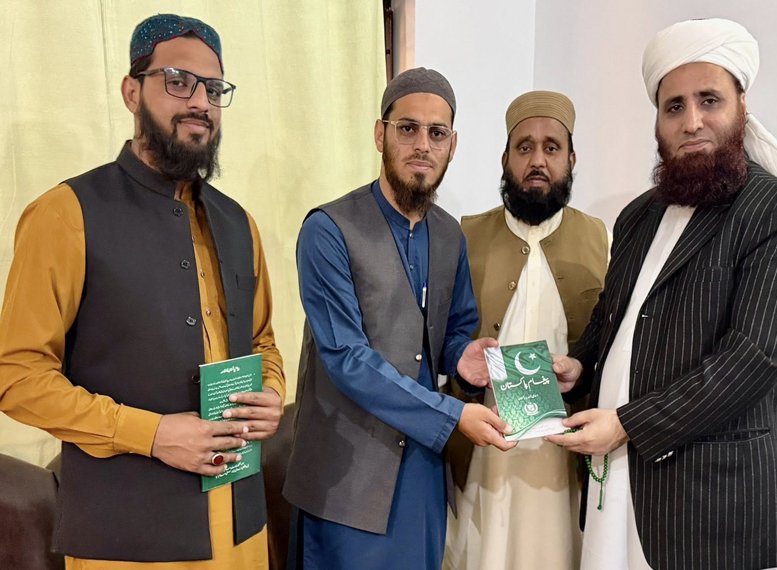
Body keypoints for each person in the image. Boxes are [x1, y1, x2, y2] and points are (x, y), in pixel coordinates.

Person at [0, 14, 285, 569]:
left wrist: (270, 393)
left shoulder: (238, 223)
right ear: (132, 92)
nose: (200, 102)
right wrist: (151, 434)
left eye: (213, 89)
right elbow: (17, 375)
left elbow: (262, 341)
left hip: (241, 529)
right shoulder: (65, 214)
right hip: (126, 539)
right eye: (178, 81)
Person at [546, 18, 777, 570]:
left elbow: (753, 359)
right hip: (618, 484)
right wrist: (581, 363)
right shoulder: (639, 216)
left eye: (709, 100)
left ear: (741, 105)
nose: (692, 121)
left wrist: (627, 424)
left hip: (713, 507)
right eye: (674, 106)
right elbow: (615, 316)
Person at [283, 67, 515, 570]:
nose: (422, 145)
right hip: (344, 480)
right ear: (380, 134)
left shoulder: (450, 235)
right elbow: (346, 357)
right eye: (407, 128)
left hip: (421, 478)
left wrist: (463, 356)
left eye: (437, 133)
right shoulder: (328, 230)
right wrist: (452, 415)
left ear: (452, 145)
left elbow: (453, 330)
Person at [444, 91, 608, 570]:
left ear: (571, 159)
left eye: (551, 148)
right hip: (485, 448)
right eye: (524, 147)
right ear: (505, 159)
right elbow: (440, 341)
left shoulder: (600, 237)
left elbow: (609, 343)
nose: (537, 160)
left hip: (565, 454)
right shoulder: (464, 235)